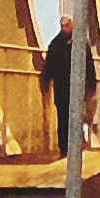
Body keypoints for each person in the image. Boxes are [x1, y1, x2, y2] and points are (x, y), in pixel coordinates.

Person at [41, 22, 74, 163]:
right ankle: (64, 149)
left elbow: (88, 64)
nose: (64, 28)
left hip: (76, 90)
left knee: (74, 118)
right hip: (62, 89)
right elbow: (48, 67)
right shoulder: (55, 45)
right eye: (62, 26)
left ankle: (73, 147)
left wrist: (91, 85)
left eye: (66, 25)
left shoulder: (80, 43)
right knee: (63, 118)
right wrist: (45, 86)